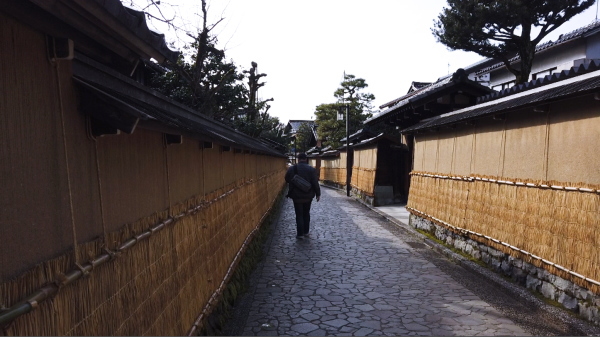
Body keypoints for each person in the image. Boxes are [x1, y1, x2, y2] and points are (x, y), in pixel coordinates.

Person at [285, 153, 321, 239]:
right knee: (306, 213)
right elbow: (315, 182)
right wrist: (318, 194)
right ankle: (306, 232)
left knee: (299, 214)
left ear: (298, 159)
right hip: (308, 195)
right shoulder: (311, 169)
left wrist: (294, 182)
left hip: (296, 195)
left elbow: (286, 179)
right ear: (306, 159)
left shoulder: (292, 168)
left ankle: (300, 234)